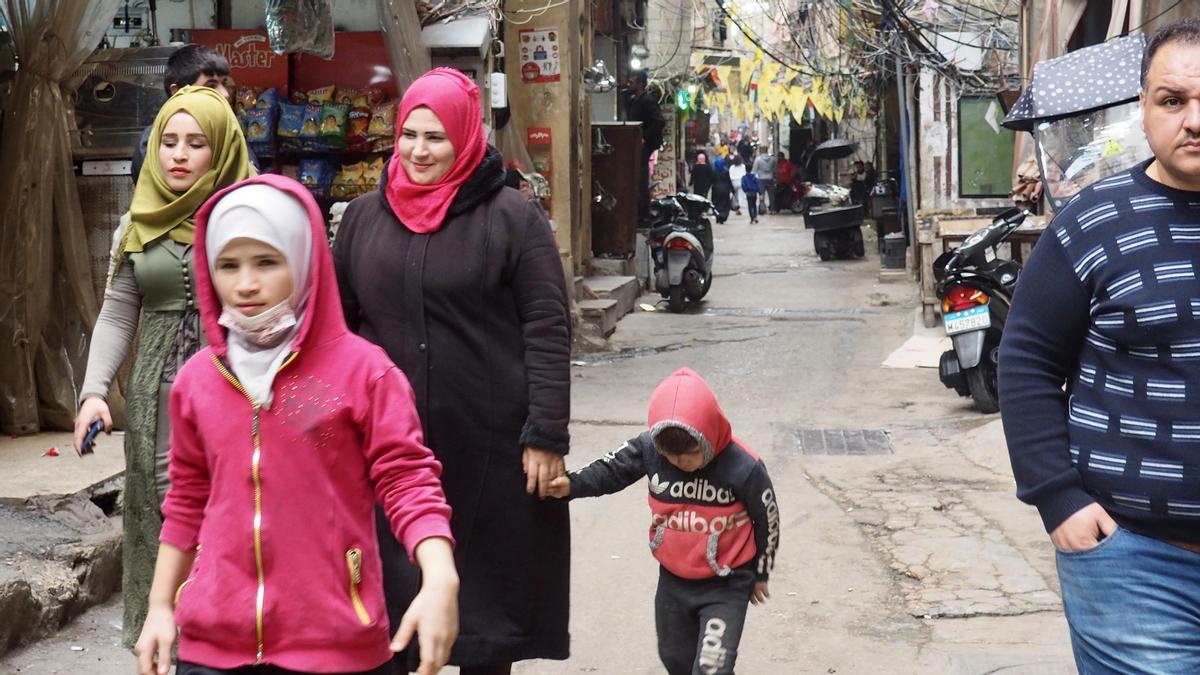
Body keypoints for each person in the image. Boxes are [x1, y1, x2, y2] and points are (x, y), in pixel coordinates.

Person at [133, 175, 459, 675]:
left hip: (335, 646)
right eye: (228, 265)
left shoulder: (362, 372)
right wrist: (160, 606)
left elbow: (406, 480)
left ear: (305, 261)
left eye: (267, 261)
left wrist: (440, 577)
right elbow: (187, 498)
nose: (245, 284)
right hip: (210, 649)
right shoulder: (198, 380)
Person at [333, 68, 572, 674]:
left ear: (466, 138)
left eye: (435, 137)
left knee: (484, 619)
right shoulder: (363, 218)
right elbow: (335, 328)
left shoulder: (513, 217)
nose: (417, 150)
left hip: (489, 449)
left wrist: (546, 435)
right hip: (387, 448)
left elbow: (547, 326)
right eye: (408, 134)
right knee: (384, 613)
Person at [998, 18, 1200, 672]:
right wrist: (1058, 496)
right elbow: (1025, 360)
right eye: (1173, 101)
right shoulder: (1090, 224)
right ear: (1143, 110)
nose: (1193, 120)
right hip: (1135, 560)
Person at [73, 86, 255, 649]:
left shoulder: (254, 213)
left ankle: (235, 636)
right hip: (158, 395)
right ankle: (169, 640)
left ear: (220, 150)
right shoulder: (138, 221)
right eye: (167, 142)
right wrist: (94, 392)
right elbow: (117, 311)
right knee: (161, 505)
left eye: (195, 143)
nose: (177, 154)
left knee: (237, 507)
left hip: (242, 390)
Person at [546, 368, 779, 675]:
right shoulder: (650, 448)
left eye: (691, 455)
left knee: (711, 667)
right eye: (671, 457)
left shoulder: (744, 467)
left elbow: (767, 520)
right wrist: (573, 485)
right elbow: (611, 469)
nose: (682, 463)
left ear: (710, 434)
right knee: (675, 659)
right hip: (674, 582)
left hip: (727, 582)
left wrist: (760, 572)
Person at [129, 44, 257, 183]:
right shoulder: (150, 143)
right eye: (210, 86)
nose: (225, 94)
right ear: (177, 91)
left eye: (224, 83)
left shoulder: (228, 133)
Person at [623, 70, 666, 226]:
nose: (629, 84)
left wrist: (644, 137)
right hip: (635, 145)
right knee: (636, 177)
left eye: (632, 82)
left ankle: (644, 216)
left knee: (641, 179)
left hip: (643, 146)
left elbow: (659, 121)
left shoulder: (647, 101)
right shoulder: (635, 100)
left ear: (640, 83)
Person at [752, 146, 778, 215]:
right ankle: (772, 209)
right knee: (771, 195)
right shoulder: (773, 159)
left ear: (760, 151)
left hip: (761, 179)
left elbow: (754, 171)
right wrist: (776, 177)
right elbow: (775, 169)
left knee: (761, 195)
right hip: (770, 178)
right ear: (767, 150)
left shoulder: (758, 159)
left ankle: (762, 209)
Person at [710, 155, 733, 224]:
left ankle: (718, 216)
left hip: (716, 189)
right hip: (725, 189)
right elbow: (729, 181)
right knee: (725, 204)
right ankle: (723, 216)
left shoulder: (713, 171)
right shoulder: (726, 171)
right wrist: (732, 190)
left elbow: (711, 181)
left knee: (716, 203)